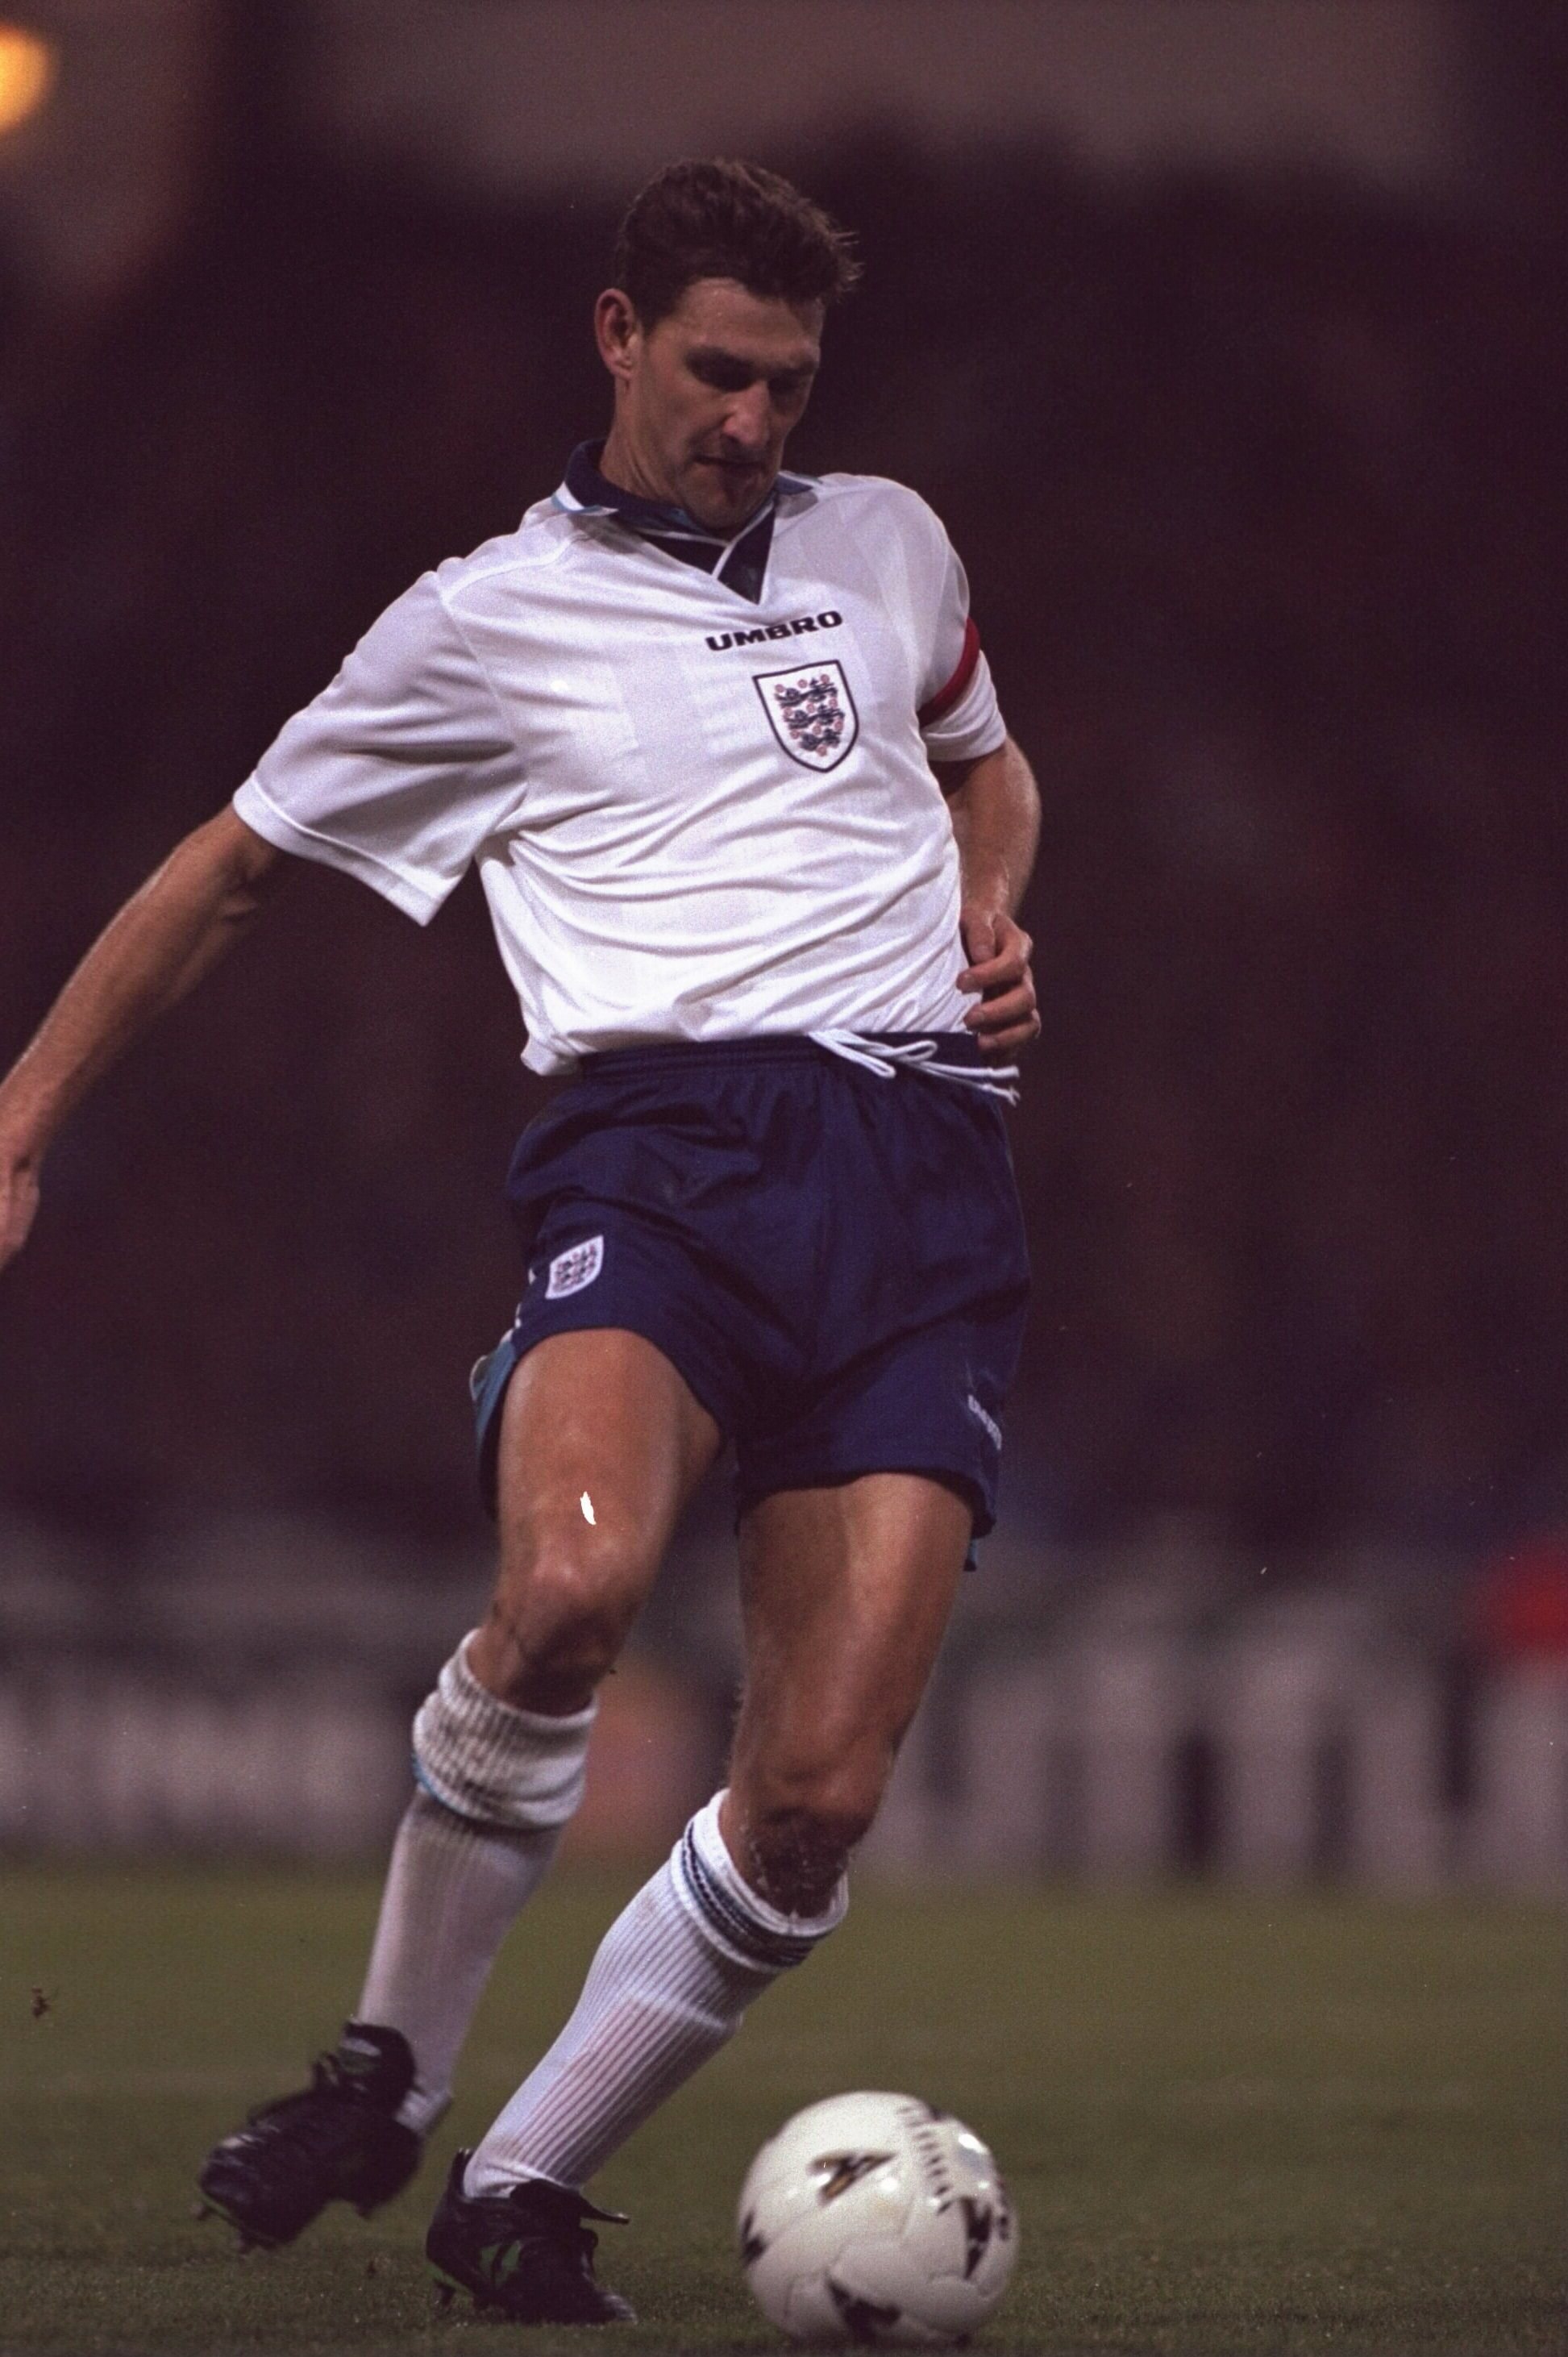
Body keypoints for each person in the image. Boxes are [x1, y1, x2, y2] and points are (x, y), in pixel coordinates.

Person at [0, 159, 1038, 2326]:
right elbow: (228, 868)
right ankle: (382, 2065)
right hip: (655, 1160)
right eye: (718, 368)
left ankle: (521, 2184)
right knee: (567, 1586)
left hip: (921, 1182)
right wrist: (19, 1116)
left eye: (790, 379)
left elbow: (985, 764)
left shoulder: (888, 540)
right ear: (618, 335)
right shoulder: (481, 617)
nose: (755, 416)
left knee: (818, 1793)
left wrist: (985, 900)